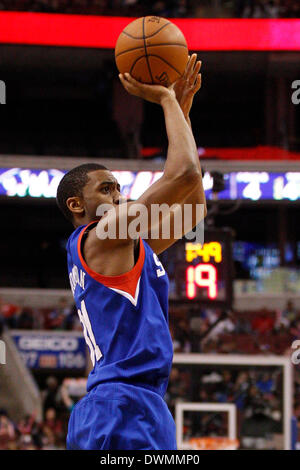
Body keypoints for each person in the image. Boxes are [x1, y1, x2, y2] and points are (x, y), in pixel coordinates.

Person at [56, 54, 206, 450]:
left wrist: (183, 115)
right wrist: (169, 101)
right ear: (77, 205)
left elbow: (194, 208)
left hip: (126, 403)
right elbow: (184, 174)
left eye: (119, 188)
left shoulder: (123, 244)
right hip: (122, 405)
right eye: (106, 189)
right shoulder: (103, 234)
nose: (118, 195)